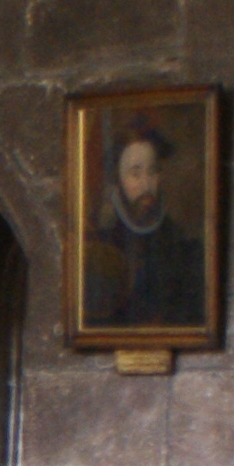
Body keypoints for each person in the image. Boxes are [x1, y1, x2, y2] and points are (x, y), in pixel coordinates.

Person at [84, 115, 203, 328]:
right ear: (119, 180)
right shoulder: (100, 235)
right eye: (135, 174)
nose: (146, 185)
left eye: (153, 171)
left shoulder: (175, 236)